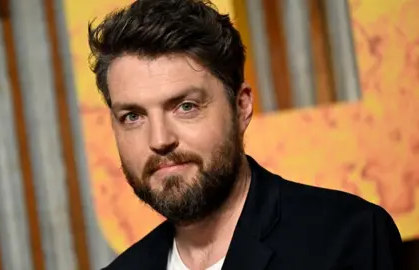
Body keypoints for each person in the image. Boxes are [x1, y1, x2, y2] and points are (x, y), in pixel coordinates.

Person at [88, 0, 403, 269]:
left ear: (241, 107)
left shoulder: (345, 238)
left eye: (185, 106)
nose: (159, 139)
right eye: (133, 116)